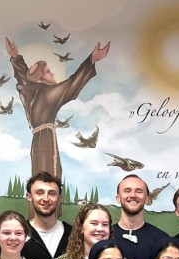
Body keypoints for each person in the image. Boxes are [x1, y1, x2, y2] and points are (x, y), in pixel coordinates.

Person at [6, 37, 110, 182]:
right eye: (48, 72)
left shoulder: (31, 93)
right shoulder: (47, 94)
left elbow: (24, 78)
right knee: (51, 177)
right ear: (41, 78)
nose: (53, 74)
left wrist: (15, 57)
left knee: (39, 179)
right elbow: (71, 85)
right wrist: (92, 60)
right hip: (46, 141)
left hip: (37, 143)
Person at [112, 174, 169, 259]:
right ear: (118, 198)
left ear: (147, 199)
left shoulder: (162, 240)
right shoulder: (105, 237)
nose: (133, 195)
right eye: (127, 190)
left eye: (139, 191)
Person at [21, 172, 72, 259]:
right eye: (39, 193)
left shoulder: (72, 234)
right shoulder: (21, 233)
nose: (45, 199)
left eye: (51, 193)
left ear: (59, 198)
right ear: (29, 196)